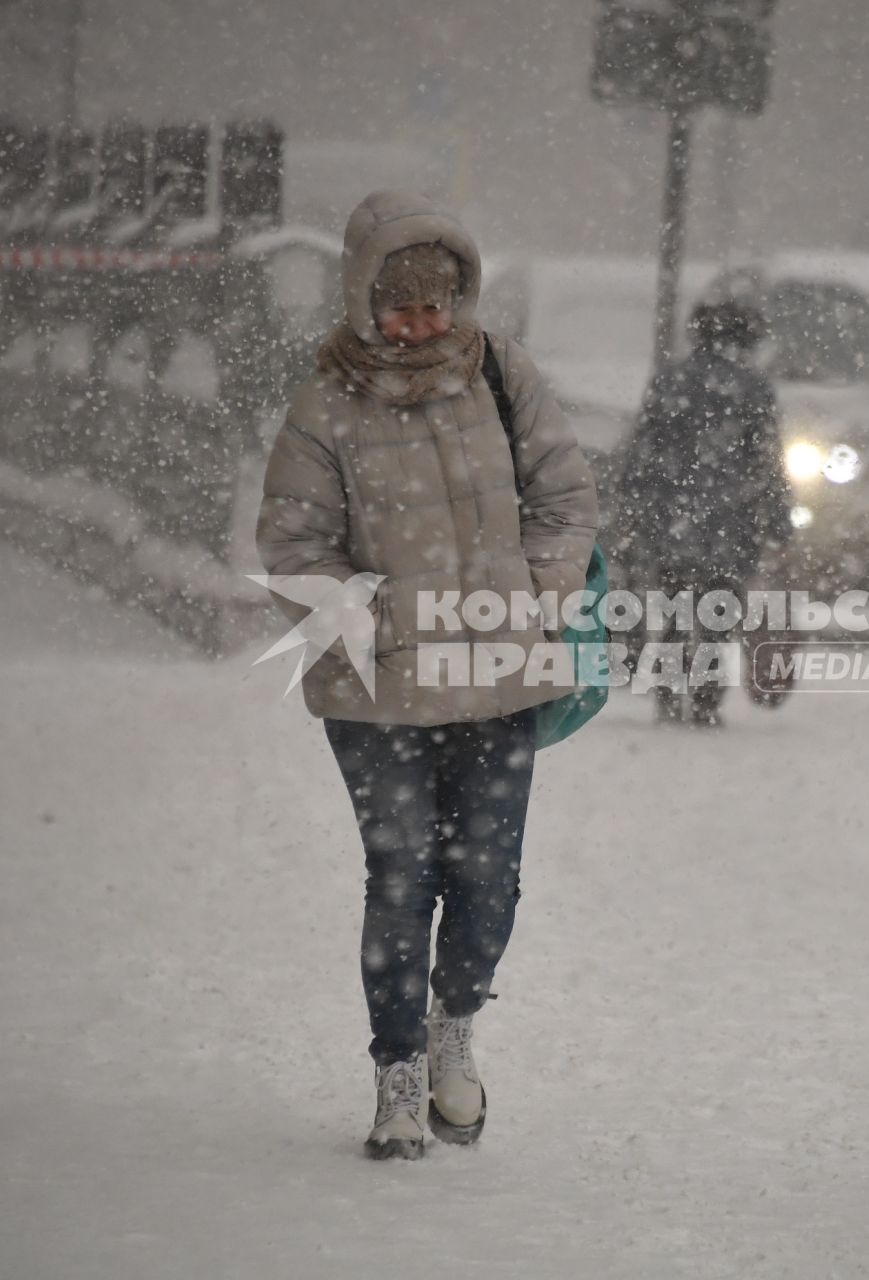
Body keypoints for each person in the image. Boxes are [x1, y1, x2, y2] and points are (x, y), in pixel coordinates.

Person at [256, 190, 599, 1160]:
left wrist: (528, 598)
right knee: (401, 877)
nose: (422, 325)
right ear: (364, 300)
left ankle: (456, 1030)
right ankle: (397, 1075)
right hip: (380, 691)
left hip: (496, 672)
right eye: (401, 306)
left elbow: (567, 499)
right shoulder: (327, 403)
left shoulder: (501, 372)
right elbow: (293, 544)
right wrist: (384, 623)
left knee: (488, 878)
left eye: (438, 304)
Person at [613, 297, 793, 724]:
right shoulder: (753, 388)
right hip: (731, 522)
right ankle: (706, 700)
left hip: (672, 517)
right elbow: (767, 461)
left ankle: (669, 689)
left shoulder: (670, 380)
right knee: (718, 614)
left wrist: (634, 505)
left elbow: (643, 449)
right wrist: (780, 522)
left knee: (675, 605)